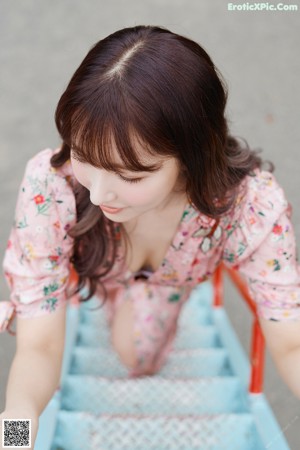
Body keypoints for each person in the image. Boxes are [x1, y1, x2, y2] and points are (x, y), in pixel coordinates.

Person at [1, 25, 300, 449]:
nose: (100, 194)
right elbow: (39, 347)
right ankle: (102, 296)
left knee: (139, 357)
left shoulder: (247, 204)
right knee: (107, 336)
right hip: (106, 272)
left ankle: (123, 300)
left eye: (130, 174)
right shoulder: (53, 187)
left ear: (193, 155)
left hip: (170, 288)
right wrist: (15, 431)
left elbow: (290, 342)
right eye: (85, 156)